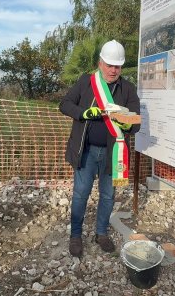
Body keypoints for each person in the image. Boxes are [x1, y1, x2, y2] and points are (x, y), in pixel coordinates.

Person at [59, 39, 140, 257]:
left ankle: (101, 233)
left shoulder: (128, 88)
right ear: (100, 62)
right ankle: (75, 235)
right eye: (109, 65)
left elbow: (136, 124)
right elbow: (64, 104)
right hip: (85, 150)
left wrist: (125, 122)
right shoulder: (86, 82)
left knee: (107, 195)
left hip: (113, 153)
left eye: (118, 66)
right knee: (80, 194)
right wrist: (83, 113)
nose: (114, 70)